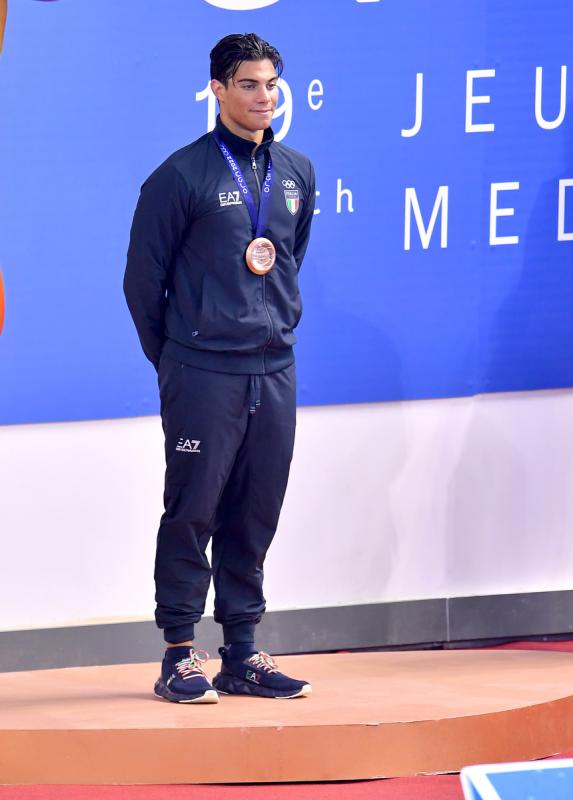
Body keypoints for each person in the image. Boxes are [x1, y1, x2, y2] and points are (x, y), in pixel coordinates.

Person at [124, 33, 316, 703]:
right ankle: (179, 653)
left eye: (269, 86)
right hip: (202, 371)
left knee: (254, 511)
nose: (261, 97)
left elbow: (286, 261)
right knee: (193, 511)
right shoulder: (182, 176)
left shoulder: (295, 173)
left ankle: (241, 653)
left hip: (274, 368)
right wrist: (179, 359)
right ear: (216, 90)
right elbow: (142, 284)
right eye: (247, 85)